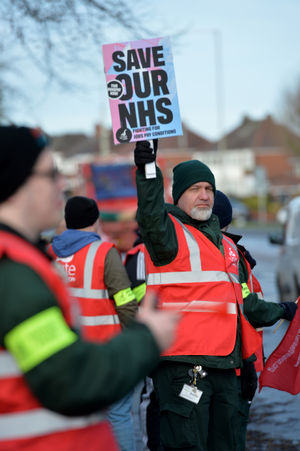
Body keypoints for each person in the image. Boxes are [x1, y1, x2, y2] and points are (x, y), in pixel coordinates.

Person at [0, 125, 180, 450]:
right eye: (50, 173)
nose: (61, 183)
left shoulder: (31, 256)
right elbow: (69, 380)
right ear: (17, 184)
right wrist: (147, 337)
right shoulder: (13, 272)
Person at [133, 140, 298, 451]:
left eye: (209, 187)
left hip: (227, 368)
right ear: (178, 195)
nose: (205, 194)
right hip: (183, 367)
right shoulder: (168, 236)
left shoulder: (229, 247)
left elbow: (240, 308)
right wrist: (148, 171)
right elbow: (150, 214)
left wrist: (248, 363)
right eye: (195, 188)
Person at [49, 195, 140, 451]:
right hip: (106, 351)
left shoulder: (49, 252)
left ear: (67, 220)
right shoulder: (103, 252)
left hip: (64, 353)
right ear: (96, 221)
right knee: (118, 414)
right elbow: (125, 302)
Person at [212, 189, 297, 451]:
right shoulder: (229, 255)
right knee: (228, 435)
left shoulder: (219, 252)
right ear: (226, 220)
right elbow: (249, 306)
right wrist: (283, 309)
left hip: (225, 357)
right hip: (234, 360)